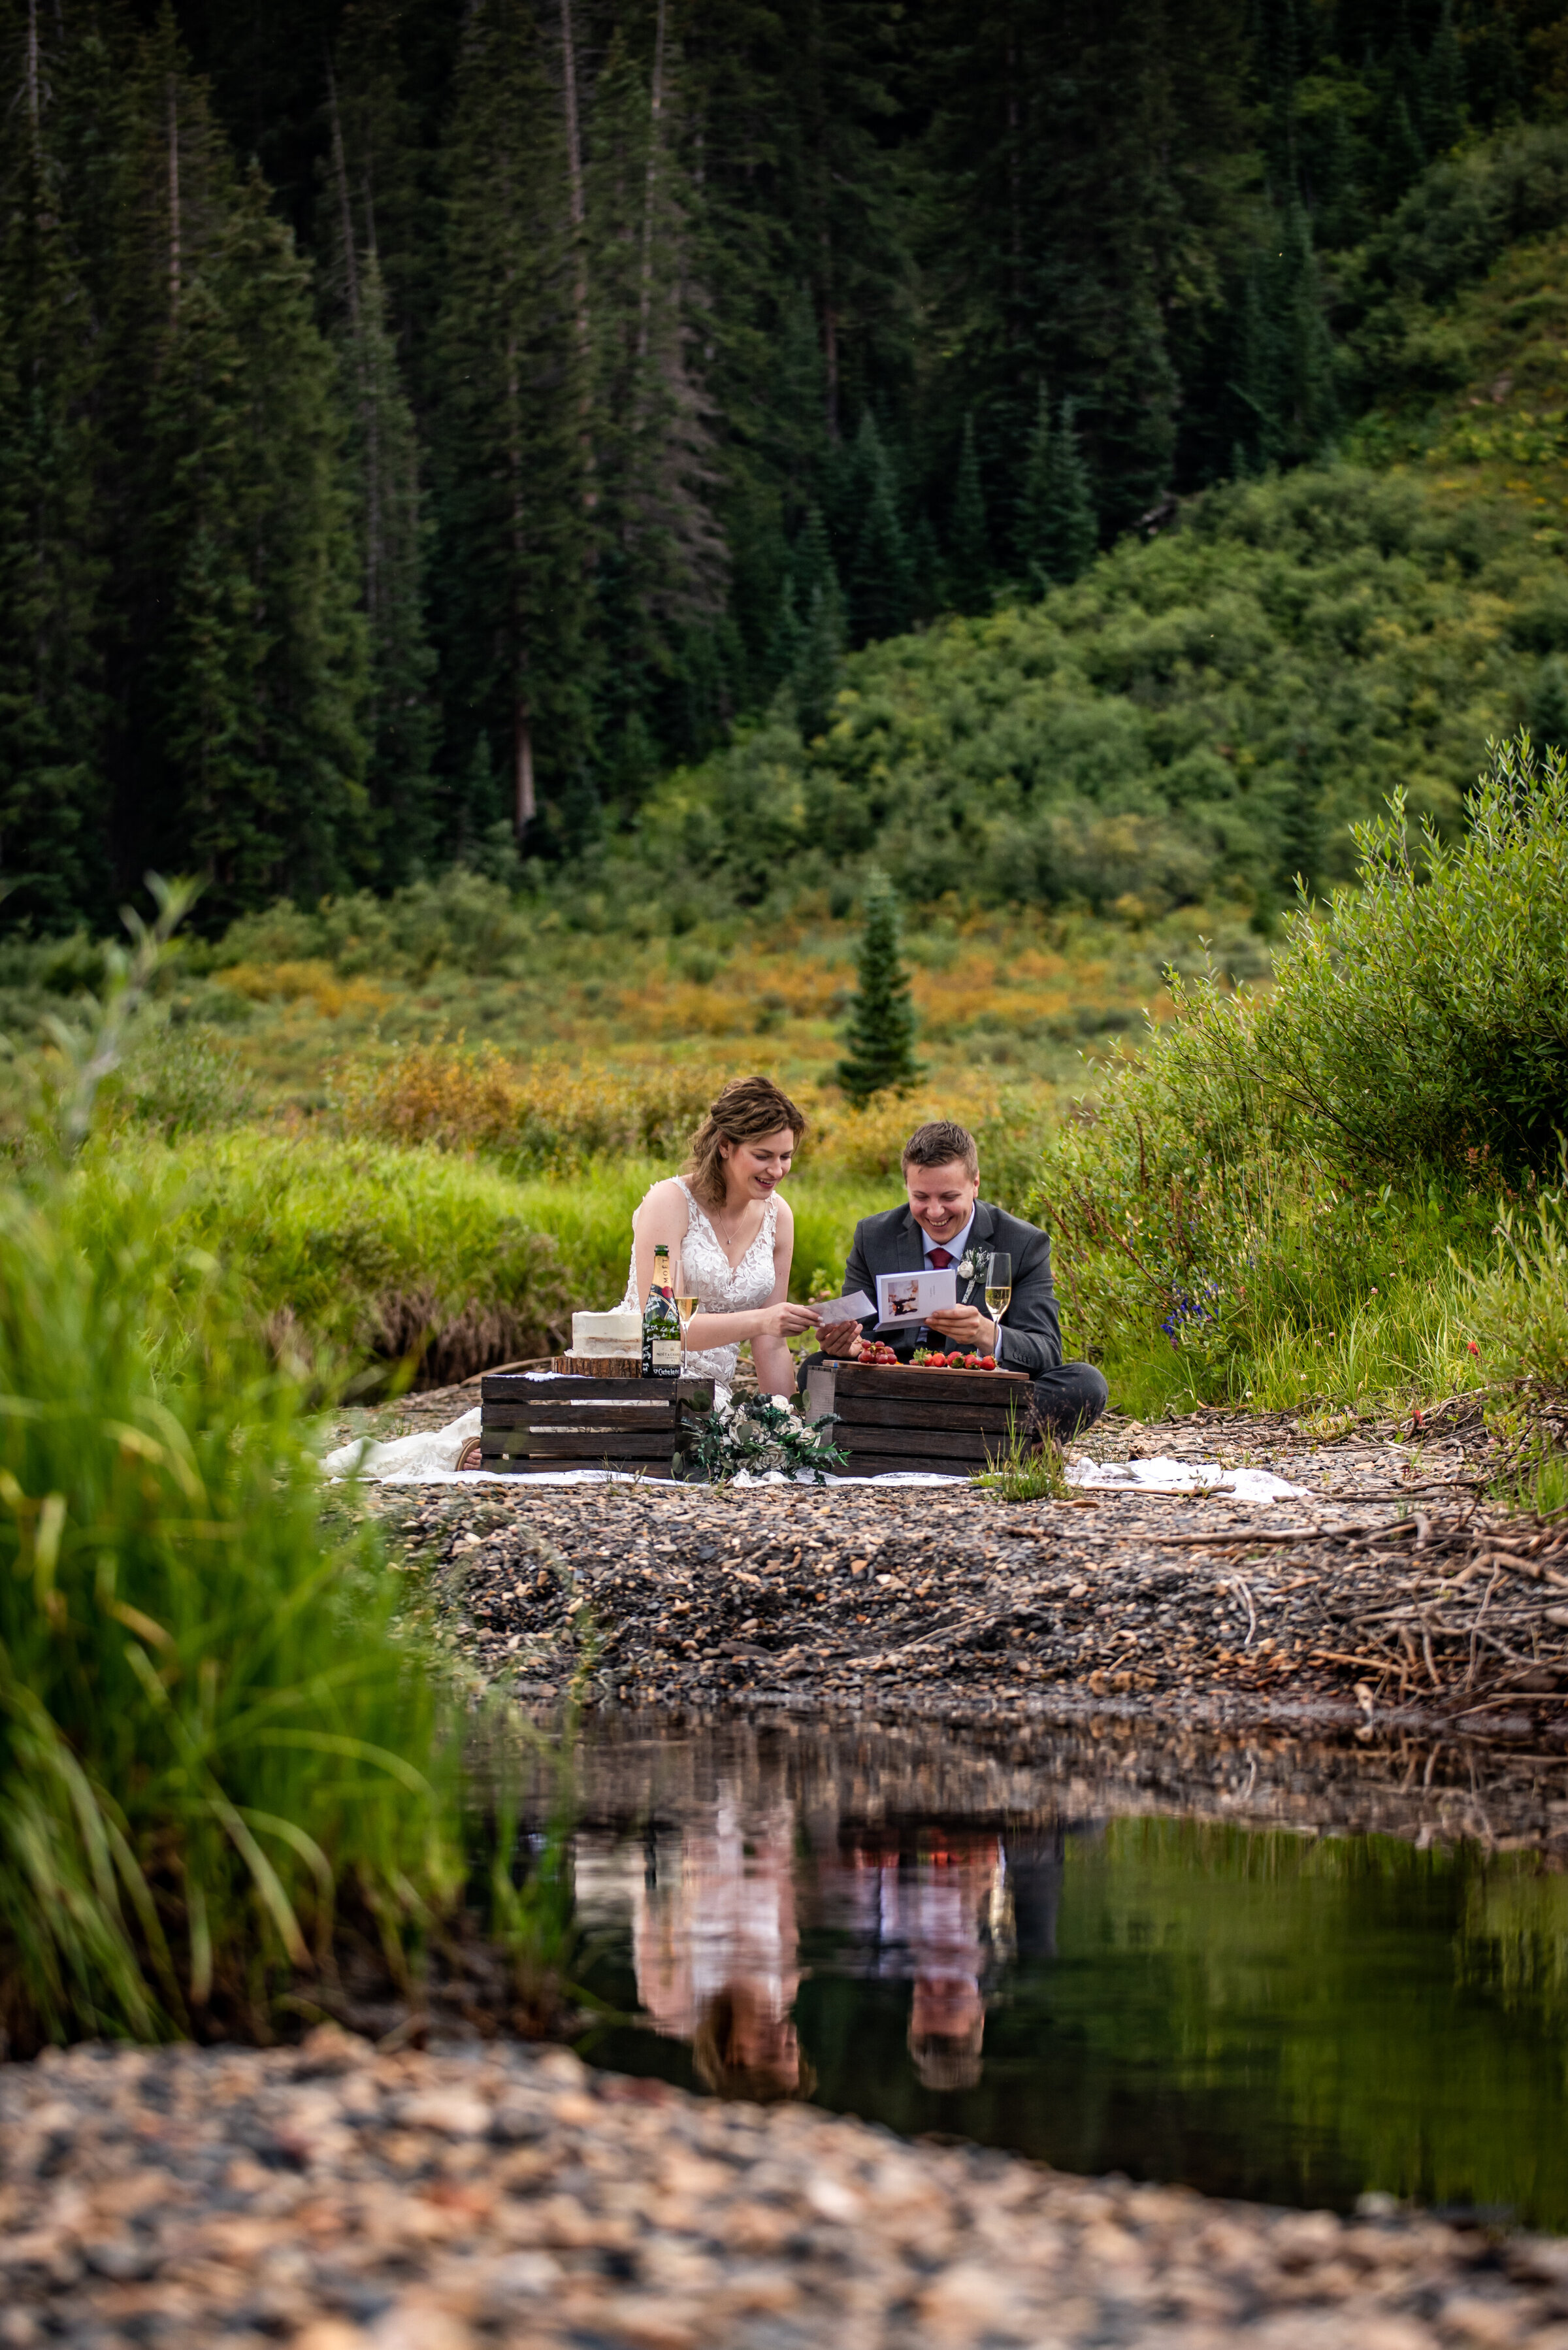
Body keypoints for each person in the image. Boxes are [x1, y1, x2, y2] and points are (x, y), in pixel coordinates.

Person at [814, 1117, 1107, 1435]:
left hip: (981, 1391)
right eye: (921, 1197)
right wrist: (847, 1345)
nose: (935, 1212)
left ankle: (912, 1438)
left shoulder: (1023, 1243)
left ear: (975, 1184)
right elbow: (862, 1333)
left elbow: (1046, 1352)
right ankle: (985, 1443)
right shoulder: (873, 1236)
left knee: (1085, 1383)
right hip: (895, 1386)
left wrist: (985, 1334)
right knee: (813, 1370)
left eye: (949, 1197)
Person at [622, 1074, 821, 1395]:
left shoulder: (779, 1216)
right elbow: (664, 1327)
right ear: (725, 1146)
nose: (777, 1170)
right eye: (763, 1156)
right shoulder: (669, 1202)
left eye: (785, 1157)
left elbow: (771, 1343)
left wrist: (789, 1423)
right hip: (645, 1374)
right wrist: (761, 1321)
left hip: (712, 1391)